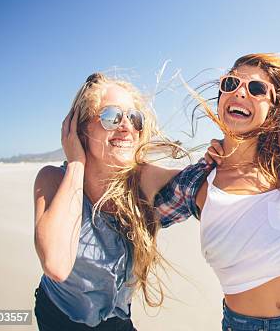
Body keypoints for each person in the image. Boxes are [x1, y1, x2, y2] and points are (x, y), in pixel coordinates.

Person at [153, 53, 280, 330]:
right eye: (231, 84)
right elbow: (136, 217)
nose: (240, 92)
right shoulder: (198, 181)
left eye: (256, 89)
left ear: (273, 107)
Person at [33, 73, 182, 330]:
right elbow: (56, 265)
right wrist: (76, 164)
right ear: (81, 128)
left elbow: (205, 183)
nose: (126, 126)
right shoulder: (53, 180)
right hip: (59, 317)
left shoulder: (144, 180)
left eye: (134, 118)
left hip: (118, 319)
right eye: (111, 117)